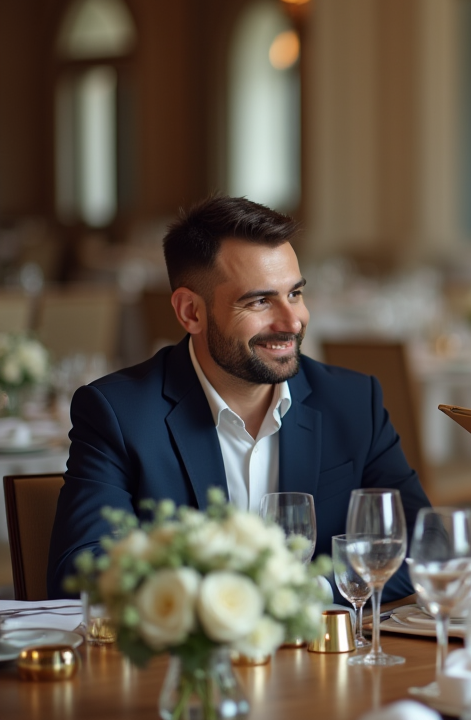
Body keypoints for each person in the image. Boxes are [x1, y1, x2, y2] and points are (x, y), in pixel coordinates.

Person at [47, 196, 431, 601]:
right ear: (190, 312)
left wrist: (305, 594)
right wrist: (226, 605)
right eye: (260, 301)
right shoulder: (119, 414)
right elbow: (83, 569)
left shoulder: (352, 402)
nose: (292, 321)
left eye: (295, 294)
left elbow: (424, 547)